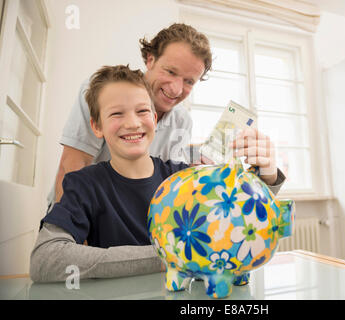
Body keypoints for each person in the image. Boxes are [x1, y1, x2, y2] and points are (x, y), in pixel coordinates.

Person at [29, 65, 282, 282]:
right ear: (97, 126)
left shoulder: (184, 179)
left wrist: (269, 175)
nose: (133, 123)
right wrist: (168, 257)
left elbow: (243, 218)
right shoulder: (84, 184)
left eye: (142, 111)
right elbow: (45, 259)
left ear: (154, 118)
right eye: (117, 113)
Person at [49, 22, 285, 211]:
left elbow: (163, 182)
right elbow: (72, 166)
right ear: (150, 59)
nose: (175, 89)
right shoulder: (104, 91)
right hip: (80, 215)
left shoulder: (182, 121)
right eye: (170, 72)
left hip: (127, 224)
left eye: (189, 81)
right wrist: (73, 237)